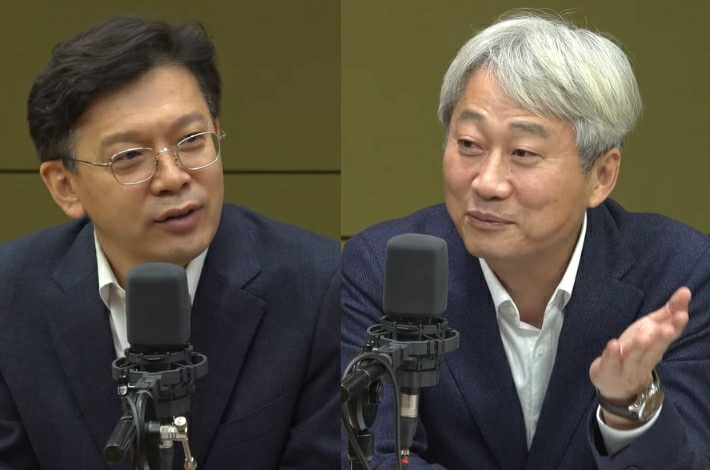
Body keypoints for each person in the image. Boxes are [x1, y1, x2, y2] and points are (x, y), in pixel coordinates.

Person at [341, 11, 710, 470]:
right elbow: (367, 457)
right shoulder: (381, 268)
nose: (487, 182)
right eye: (469, 144)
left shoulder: (679, 273)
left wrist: (629, 407)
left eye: (523, 153)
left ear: (601, 175)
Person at [0, 16, 340, 470]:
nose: (173, 177)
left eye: (192, 140)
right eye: (130, 156)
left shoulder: (319, 287)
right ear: (65, 186)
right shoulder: (9, 297)